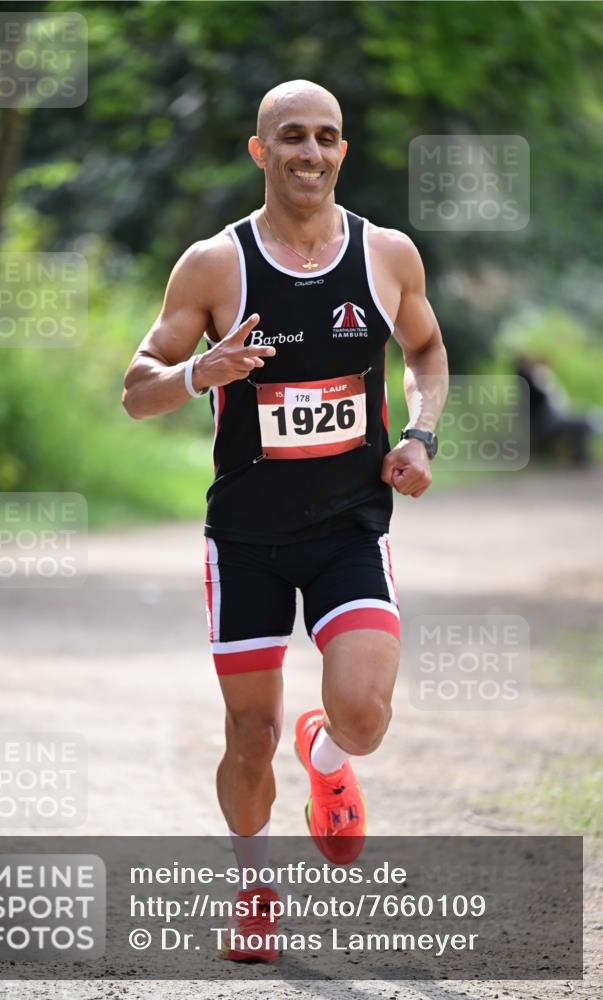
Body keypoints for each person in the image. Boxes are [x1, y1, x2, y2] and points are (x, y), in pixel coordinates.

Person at [122, 79, 448, 962]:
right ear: (260, 151)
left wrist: (417, 432)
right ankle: (254, 888)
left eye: (328, 137)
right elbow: (136, 389)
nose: (312, 152)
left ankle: (330, 759)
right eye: (292, 136)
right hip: (247, 541)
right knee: (247, 734)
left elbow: (423, 349)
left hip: (349, 526)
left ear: (343, 151)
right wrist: (202, 373)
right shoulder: (213, 265)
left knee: (364, 715)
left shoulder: (386, 256)